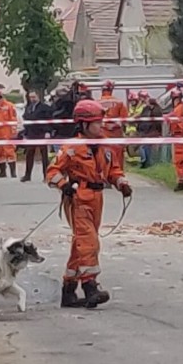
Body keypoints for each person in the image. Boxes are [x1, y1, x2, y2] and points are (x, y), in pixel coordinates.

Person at [46, 99, 133, 309]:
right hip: (78, 198)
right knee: (89, 241)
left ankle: (68, 291)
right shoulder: (71, 148)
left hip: (97, 198)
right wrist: (64, 185)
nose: (100, 125)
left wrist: (122, 183)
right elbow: (52, 171)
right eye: (96, 122)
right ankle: (90, 286)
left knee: (81, 245)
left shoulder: (105, 147)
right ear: (84, 124)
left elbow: (114, 171)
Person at [21, 90, 52, 182]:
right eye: (30, 97)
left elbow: (48, 120)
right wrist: (25, 133)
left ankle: (46, 175)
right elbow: (25, 119)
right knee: (29, 154)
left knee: (44, 156)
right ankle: (27, 175)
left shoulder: (45, 108)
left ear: (38, 97)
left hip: (41, 133)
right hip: (31, 134)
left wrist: (48, 132)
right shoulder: (29, 107)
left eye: (34, 97)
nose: (32, 99)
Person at [167, 88, 183, 191]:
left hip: (179, 135)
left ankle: (182, 181)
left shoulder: (178, 109)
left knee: (179, 160)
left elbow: (173, 119)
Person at [100, 81, 127, 171]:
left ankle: (104, 176)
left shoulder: (97, 102)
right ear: (111, 90)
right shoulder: (119, 102)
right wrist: (114, 125)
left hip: (102, 134)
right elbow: (124, 119)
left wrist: (105, 125)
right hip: (116, 135)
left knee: (103, 156)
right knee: (118, 156)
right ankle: (118, 176)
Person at [137, 96, 162, 168]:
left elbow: (157, 123)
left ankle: (145, 161)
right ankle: (147, 162)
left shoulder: (155, 111)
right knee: (146, 147)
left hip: (150, 131)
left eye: (147, 102)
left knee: (144, 147)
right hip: (146, 131)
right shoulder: (147, 109)